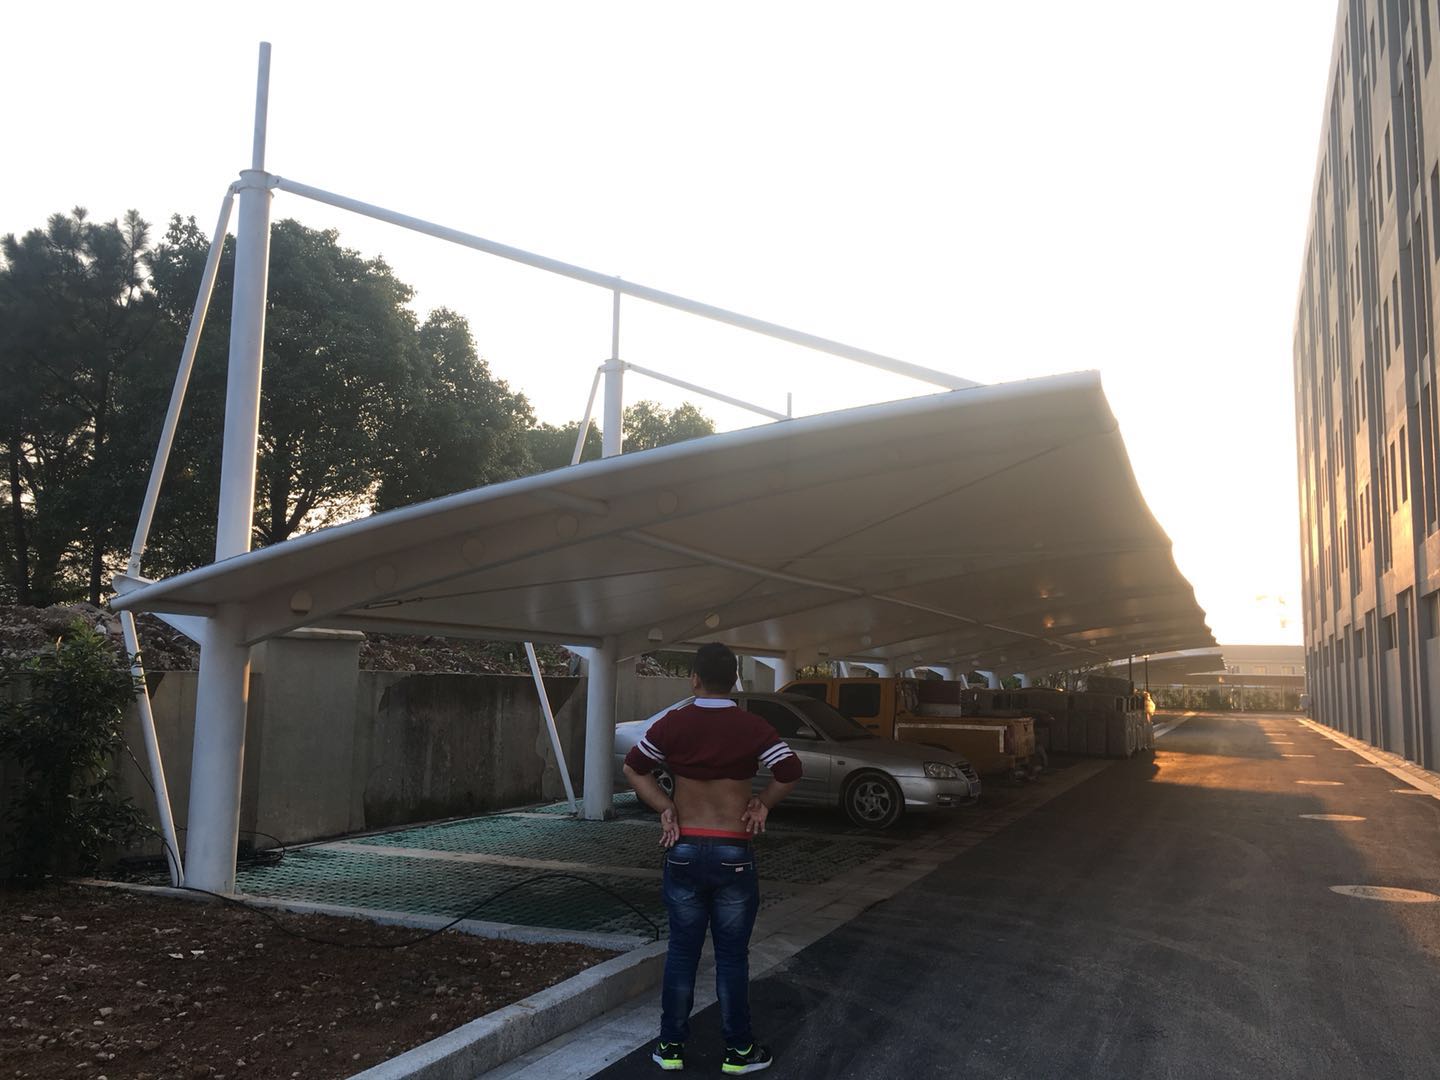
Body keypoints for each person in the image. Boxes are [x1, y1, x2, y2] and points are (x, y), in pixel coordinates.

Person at [623, 642, 801, 1075]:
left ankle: (670, 1046)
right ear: (734, 680)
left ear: (695, 679)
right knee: (732, 957)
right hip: (733, 853)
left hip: (684, 851)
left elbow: (634, 767)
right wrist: (763, 804)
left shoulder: (674, 722)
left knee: (682, 953)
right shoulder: (752, 726)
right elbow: (789, 770)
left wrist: (665, 806)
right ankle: (739, 1051)